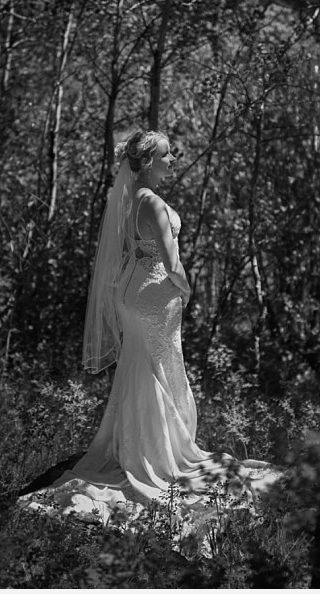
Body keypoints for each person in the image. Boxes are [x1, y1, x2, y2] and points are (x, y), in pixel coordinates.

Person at [52, 128, 228, 505]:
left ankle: (133, 446)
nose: (173, 160)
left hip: (134, 290)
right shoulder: (152, 203)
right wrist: (187, 289)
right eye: (167, 155)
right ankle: (157, 454)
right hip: (155, 295)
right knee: (161, 367)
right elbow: (172, 261)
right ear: (148, 163)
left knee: (141, 365)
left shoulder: (129, 198)